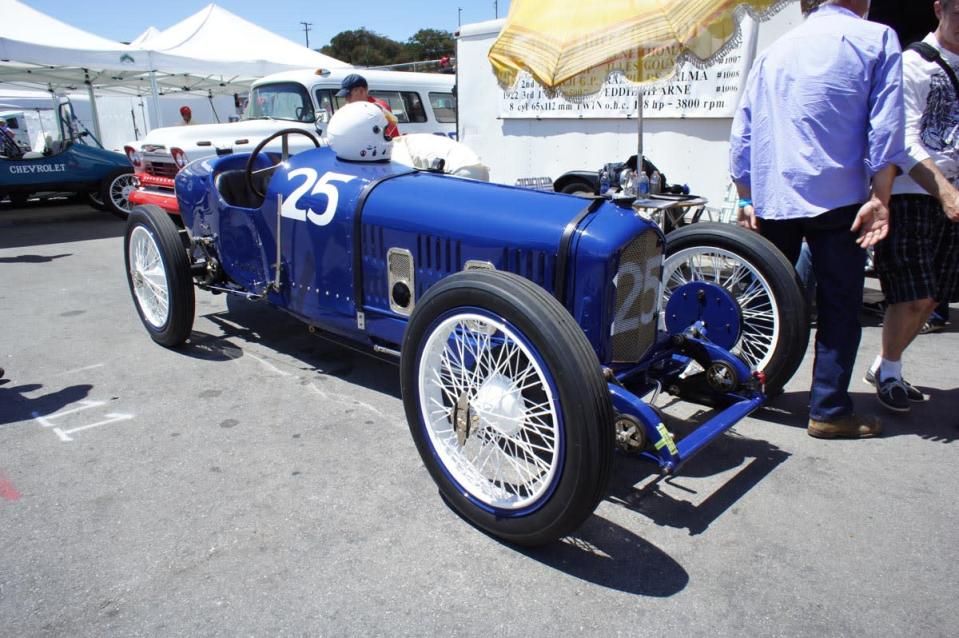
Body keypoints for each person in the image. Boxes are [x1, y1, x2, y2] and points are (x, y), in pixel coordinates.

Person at [729, 0, 905, 439]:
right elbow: (886, 126)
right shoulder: (877, 38)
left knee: (769, 302)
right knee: (839, 304)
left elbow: (743, 131)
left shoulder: (775, 49)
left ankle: (756, 386)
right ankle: (827, 407)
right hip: (840, 197)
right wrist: (881, 196)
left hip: (775, 197)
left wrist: (746, 194)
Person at [868, 0, 959, 411]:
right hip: (912, 192)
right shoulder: (913, 63)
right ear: (939, 8)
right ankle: (889, 373)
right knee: (913, 295)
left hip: (952, 195)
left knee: (937, 295)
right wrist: (943, 189)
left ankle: (885, 363)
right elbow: (900, 138)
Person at [336, 73, 401, 139]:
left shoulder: (379, 108)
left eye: (348, 95)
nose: (346, 99)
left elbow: (388, 137)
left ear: (361, 91)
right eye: (345, 96)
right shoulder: (351, 108)